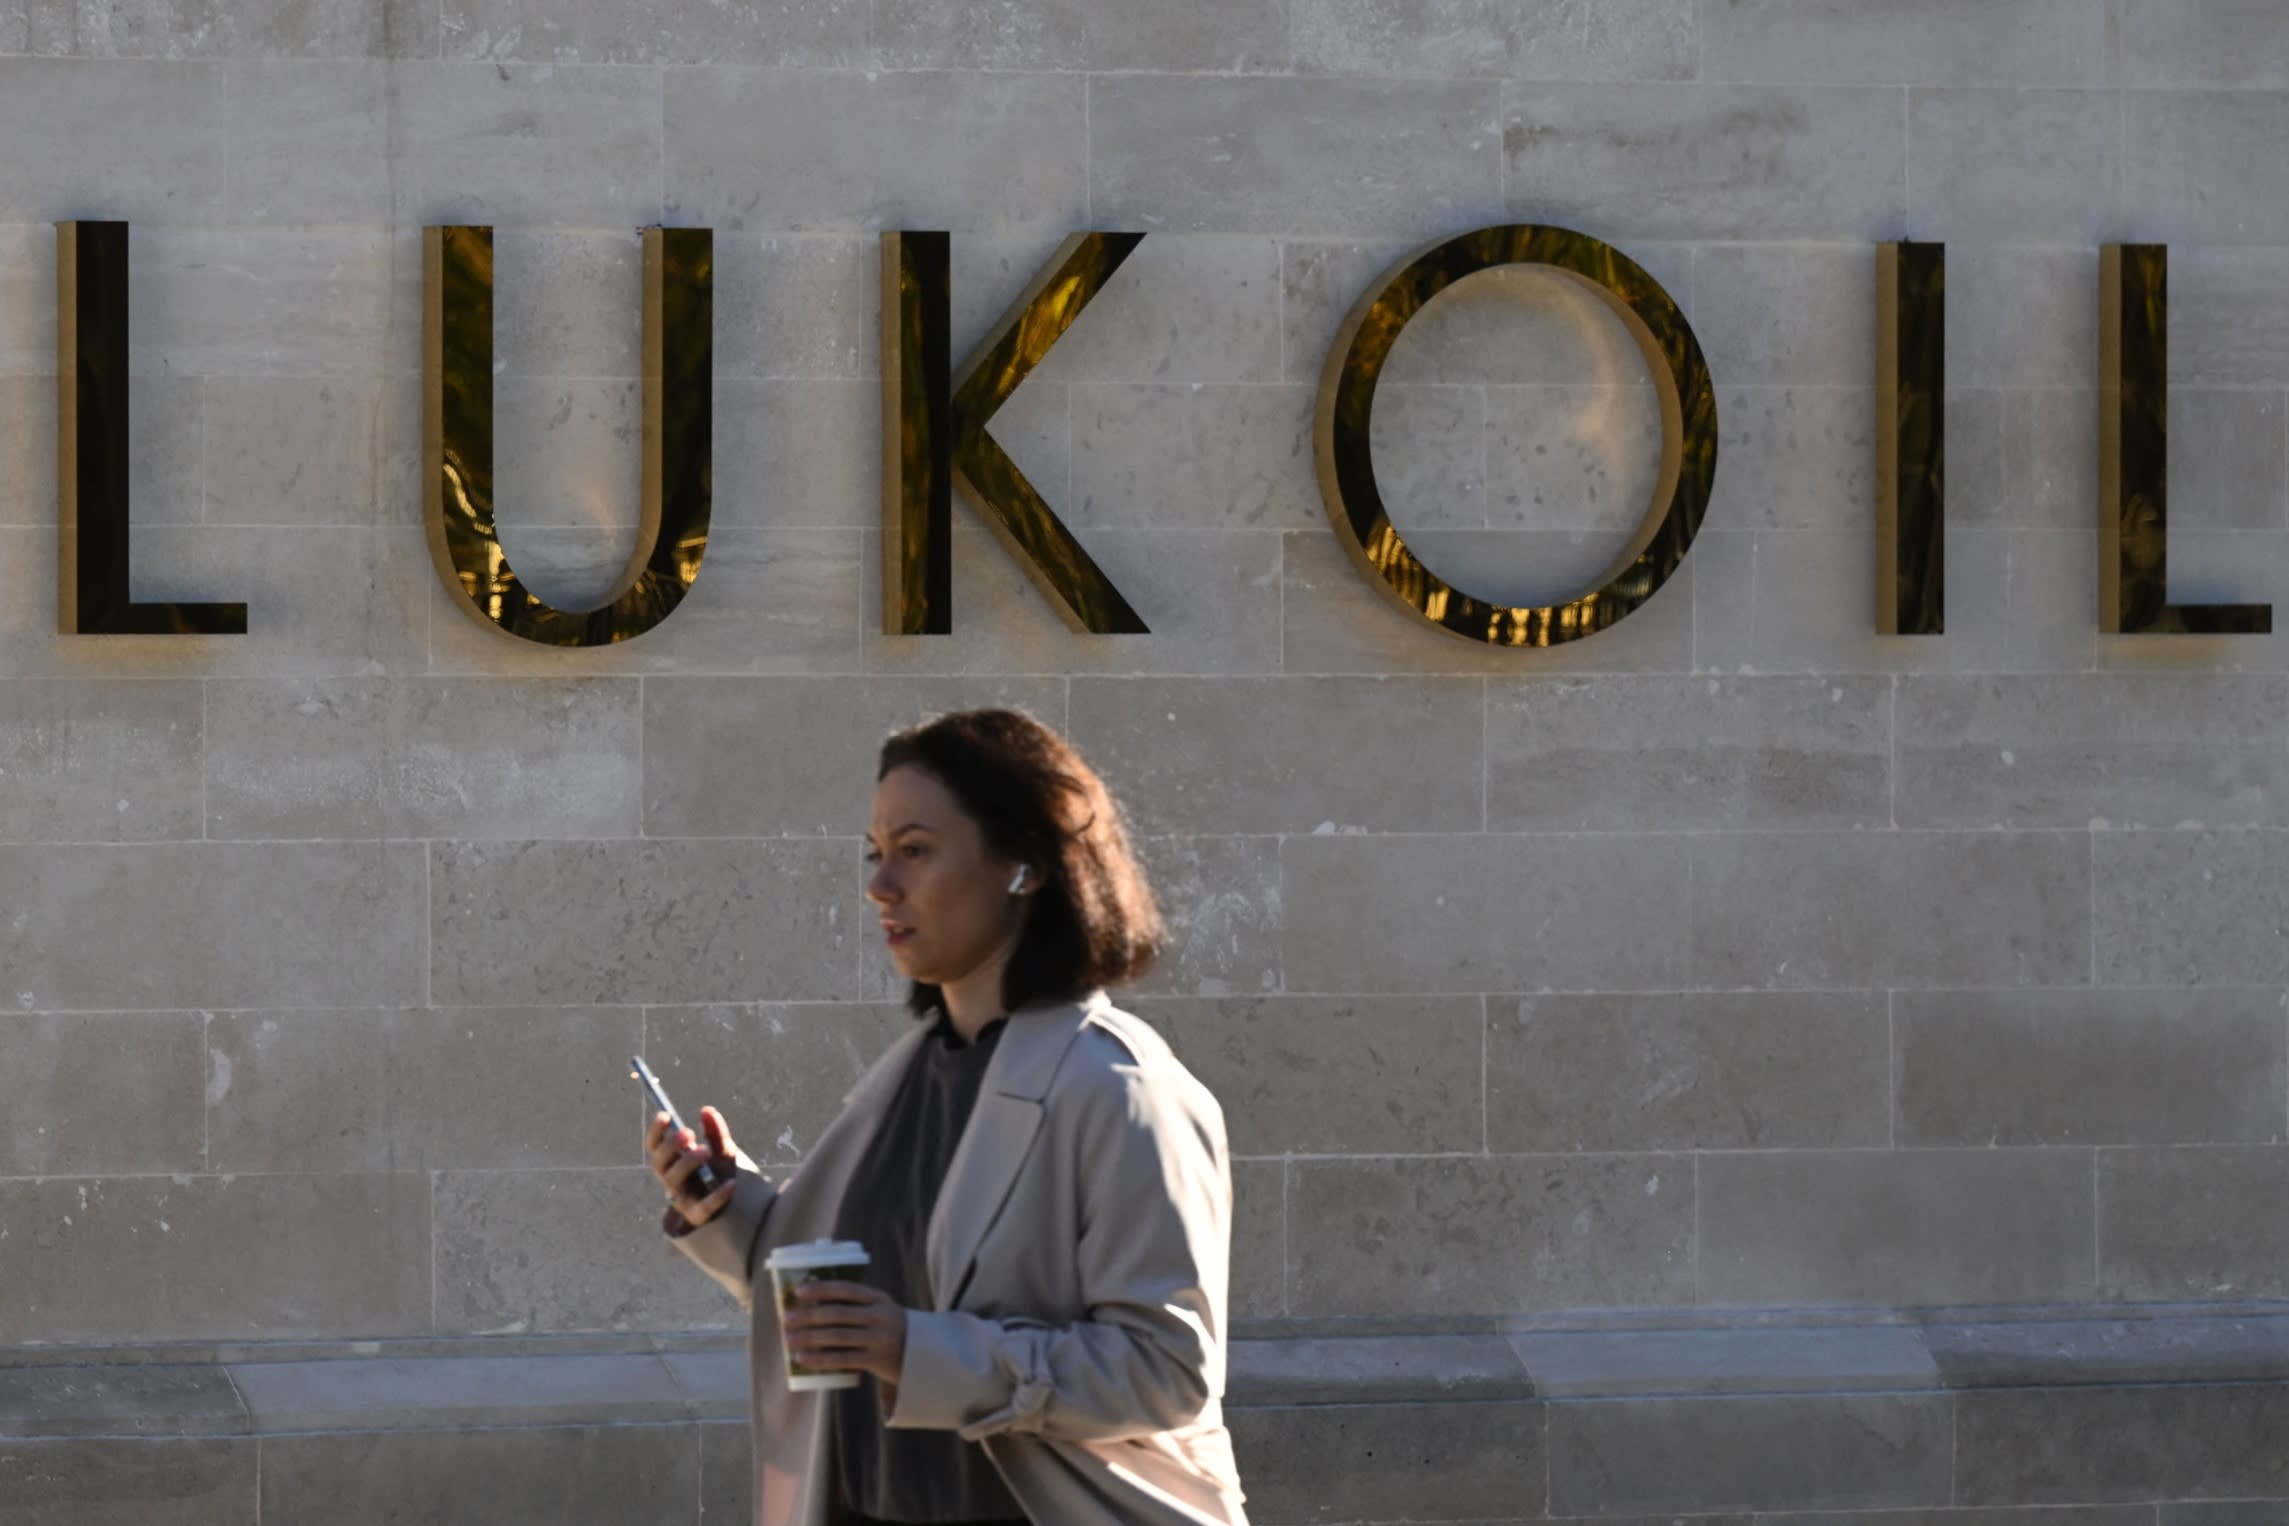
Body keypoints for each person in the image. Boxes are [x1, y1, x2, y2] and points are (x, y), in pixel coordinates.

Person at [644, 708, 1250, 1526]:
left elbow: (1166, 1372)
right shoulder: (904, 1081)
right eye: (875, 853)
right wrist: (727, 1207)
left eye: (915, 851)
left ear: (1024, 867)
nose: (879, 885)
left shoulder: (1121, 1088)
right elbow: (848, 1300)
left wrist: (918, 1352)